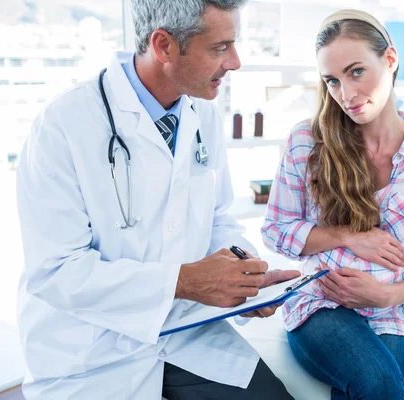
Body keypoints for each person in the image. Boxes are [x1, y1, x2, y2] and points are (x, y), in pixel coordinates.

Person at [15, 0, 299, 399]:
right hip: (91, 350)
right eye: (220, 48)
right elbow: (56, 271)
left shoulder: (204, 112)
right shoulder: (64, 125)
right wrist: (182, 282)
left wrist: (246, 276)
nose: (234, 62)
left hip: (186, 334)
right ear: (164, 46)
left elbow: (219, 218)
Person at [261, 9, 404, 400]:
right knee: (380, 384)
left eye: (357, 72)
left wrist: (386, 295)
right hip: (322, 305)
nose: (346, 95)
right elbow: (277, 230)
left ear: (389, 60)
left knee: (377, 389)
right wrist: (348, 237)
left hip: (397, 315)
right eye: (332, 81)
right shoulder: (307, 142)